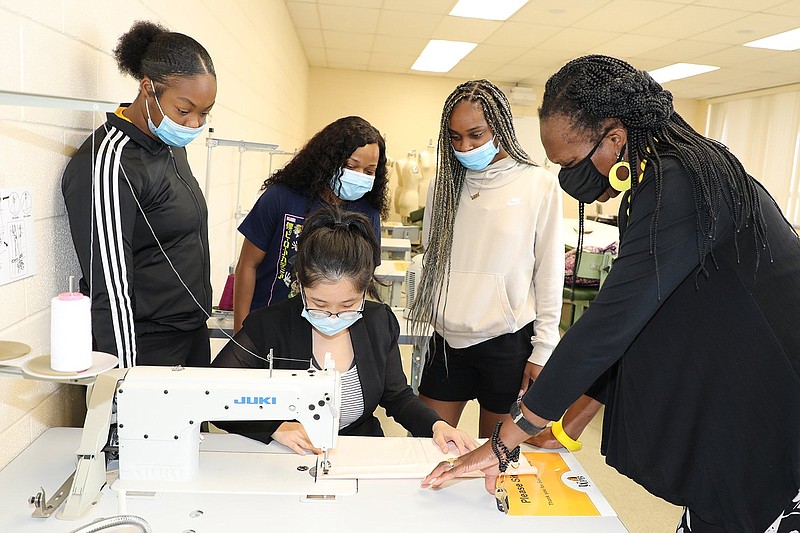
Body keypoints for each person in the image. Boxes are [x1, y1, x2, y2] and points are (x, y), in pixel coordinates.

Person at [421, 55, 800, 533]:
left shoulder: (677, 184)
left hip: (776, 401)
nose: (569, 179)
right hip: (746, 394)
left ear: (616, 137)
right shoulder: (663, 180)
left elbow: (611, 322)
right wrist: (572, 420)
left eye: (573, 163)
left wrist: (507, 438)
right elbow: (640, 321)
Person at [214, 205, 476, 456]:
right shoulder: (269, 326)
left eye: (348, 305)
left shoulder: (378, 323)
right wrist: (272, 428)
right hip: (284, 455)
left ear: (365, 290)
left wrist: (436, 426)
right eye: (319, 304)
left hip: (359, 450)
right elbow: (214, 395)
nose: (333, 316)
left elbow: (398, 397)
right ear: (300, 284)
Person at [409, 79, 563, 438]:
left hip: (506, 341)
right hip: (446, 340)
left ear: (500, 128)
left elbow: (549, 273)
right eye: (456, 137)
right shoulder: (444, 184)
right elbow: (432, 255)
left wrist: (543, 348)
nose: (465, 146)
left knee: (496, 458)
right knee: (423, 447)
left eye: (476, 135)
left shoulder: (537, 184)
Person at [62, 21, 216, 368]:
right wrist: (126, 383)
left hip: (190, 332)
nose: (194, 124)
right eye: (184, 110)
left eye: (204, 113)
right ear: (148, 88)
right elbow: (110, 288)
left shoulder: (170, 146)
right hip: (147, 346)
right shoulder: (109, 161)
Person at [232, 116, 389, 332]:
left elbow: (361, 282)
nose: (359, 176)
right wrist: (241, 329)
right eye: (350, 166)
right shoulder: (281, 197)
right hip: (269, 323)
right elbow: (247, 265)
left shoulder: (367, 214)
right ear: (329, 161)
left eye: (369, 171)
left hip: (328, 330)